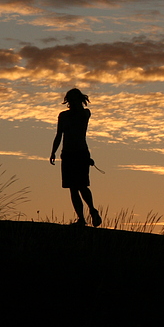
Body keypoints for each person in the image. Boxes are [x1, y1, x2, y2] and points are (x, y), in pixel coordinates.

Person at [50, 88, 102, 227]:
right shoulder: (63, 116)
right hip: (67, 154)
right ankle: (81, 219)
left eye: (74, 99)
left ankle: (92, 209)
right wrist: (53, 152)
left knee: (82, 186)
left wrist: (77, 105)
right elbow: (59, 135)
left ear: (79, 100)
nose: (72, 102)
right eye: (70, 99)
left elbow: (81, 115)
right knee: (72, 188)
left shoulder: (85, 113)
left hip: (81, 153)